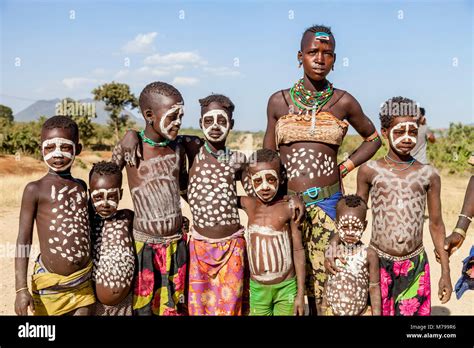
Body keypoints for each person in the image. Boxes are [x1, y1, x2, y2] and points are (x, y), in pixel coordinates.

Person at [263, 24, 381, 315]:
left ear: (334, 59)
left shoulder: (343, 101)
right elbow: (267, 156)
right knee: (289, 281)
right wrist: (279, 197)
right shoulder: (279, 101)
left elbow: (374, 138)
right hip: (289, 204)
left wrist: (345, 166)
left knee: (331, 279)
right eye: (312, 52)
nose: (319, 58)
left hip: (329, 204)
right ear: (299, 56)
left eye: (327, 54)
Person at [345, 96, 452, 315]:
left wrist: (446, 272)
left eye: (412, 132)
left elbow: (436, 224)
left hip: (416, 264)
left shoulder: (428, 174)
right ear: (385, 133)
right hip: (378, 262)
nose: (406, 138)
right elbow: (356, 217)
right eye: (399, 131)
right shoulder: (370, 171)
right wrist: (341, 248)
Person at [112, 81, 188, 316]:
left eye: (181, 116)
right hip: (143, 247)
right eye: (172, 116)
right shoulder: (128, 148)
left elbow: (184, 187)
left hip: (177, 244)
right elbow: (104, 185)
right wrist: (130, 134)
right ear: (149, 115)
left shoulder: (178, 147)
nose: (178, 122)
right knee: (144, 309)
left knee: (176, 306)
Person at [14, 116, 95, 316]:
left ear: (78, 148)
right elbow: (23, 239)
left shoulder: (81, 187)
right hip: (50, 286)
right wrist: (21, 289)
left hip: (82, 282)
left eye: (65, 147)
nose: (57, 154)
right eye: (50, 147)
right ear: (40, 147)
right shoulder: (35, 189)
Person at [186, 94, 248, 315]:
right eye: (209, 120)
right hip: (199, 246)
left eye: (222, 121)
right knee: (199, 306)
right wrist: (131, 134)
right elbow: (159, 138)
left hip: (232, 247)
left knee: (230, 306)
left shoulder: (237, 160)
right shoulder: (191, 150)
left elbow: (259, 189)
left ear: (231, 124)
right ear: (200, 123)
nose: (215, 126)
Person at [239, 149, 305, 316]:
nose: (265, 187)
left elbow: (298, 250)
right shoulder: (248, 204)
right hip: (258, 289)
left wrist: (300, 294)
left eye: (271, 179)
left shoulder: (289, 208)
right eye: (258, 181)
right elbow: (221, 192)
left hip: (286, 288)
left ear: (281, 178)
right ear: (249, 180)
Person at [89, 161, 135, 316]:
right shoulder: (88, 223)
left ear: (121, 194)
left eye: (112, 196)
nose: (105, 203)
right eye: (98, 197)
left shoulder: (127, 218)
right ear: (90, 194)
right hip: (96, 307)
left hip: (127, 305)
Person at [323, 194, 381, 316]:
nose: (350, 232)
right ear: (336, 224)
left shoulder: (369, 254)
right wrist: (324, 307)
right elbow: (327, 281)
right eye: (344, 227)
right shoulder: (332, 252)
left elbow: (374, 287)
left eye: (355, 227)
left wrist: (376, 313)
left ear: (364, 226)